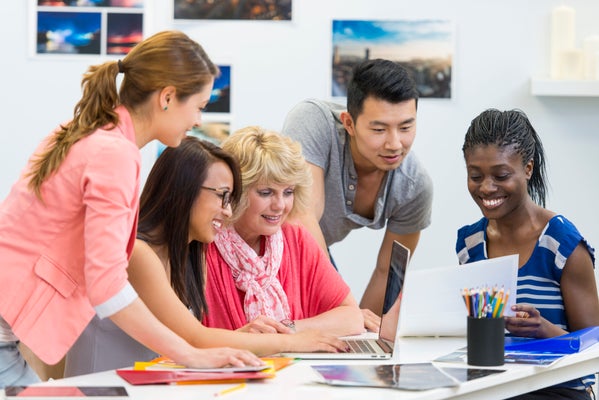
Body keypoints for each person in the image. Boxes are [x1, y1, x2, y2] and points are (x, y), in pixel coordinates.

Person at [0, 30, 262, 388]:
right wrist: (190, 353)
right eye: (199, 106)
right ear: (167, 97)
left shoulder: (87, 134)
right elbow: (107, 286)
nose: (198, 121)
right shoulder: (114, 153)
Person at [64, 137, 349, 377]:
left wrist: (247, 336)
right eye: (222, 196)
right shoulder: (138, 252)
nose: (227, 211)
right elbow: (195, 339)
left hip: (148, 384)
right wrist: (296, 341)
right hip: (105, 389)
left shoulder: (189, 252)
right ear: (184, 191)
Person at [456, 108, 599, 399]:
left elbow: (594, 348)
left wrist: (543, 329)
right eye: (475, 175)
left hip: (555, 392)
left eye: (501, 175)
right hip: (490, 388)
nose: (486, 187)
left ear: (528, 169)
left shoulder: (561, 243)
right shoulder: (470, 244)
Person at [280, 58, 433, 330]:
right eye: (378, 129)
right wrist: (349, 312)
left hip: (313, 252)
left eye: (406, 127)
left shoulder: (414, 186)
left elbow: (389, 271)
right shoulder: (313, 121)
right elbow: (302, 217)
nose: (394, 144)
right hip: (269, 242)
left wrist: (362, 332)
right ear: (348, 123)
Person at [203, 127, 364, 336]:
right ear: (236, 191)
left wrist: (285, 329)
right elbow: (185, 336)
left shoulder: (295, 238)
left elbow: (352, 318)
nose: (280, 205)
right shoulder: (204, 241)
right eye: (266, 192)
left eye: (288, 192)